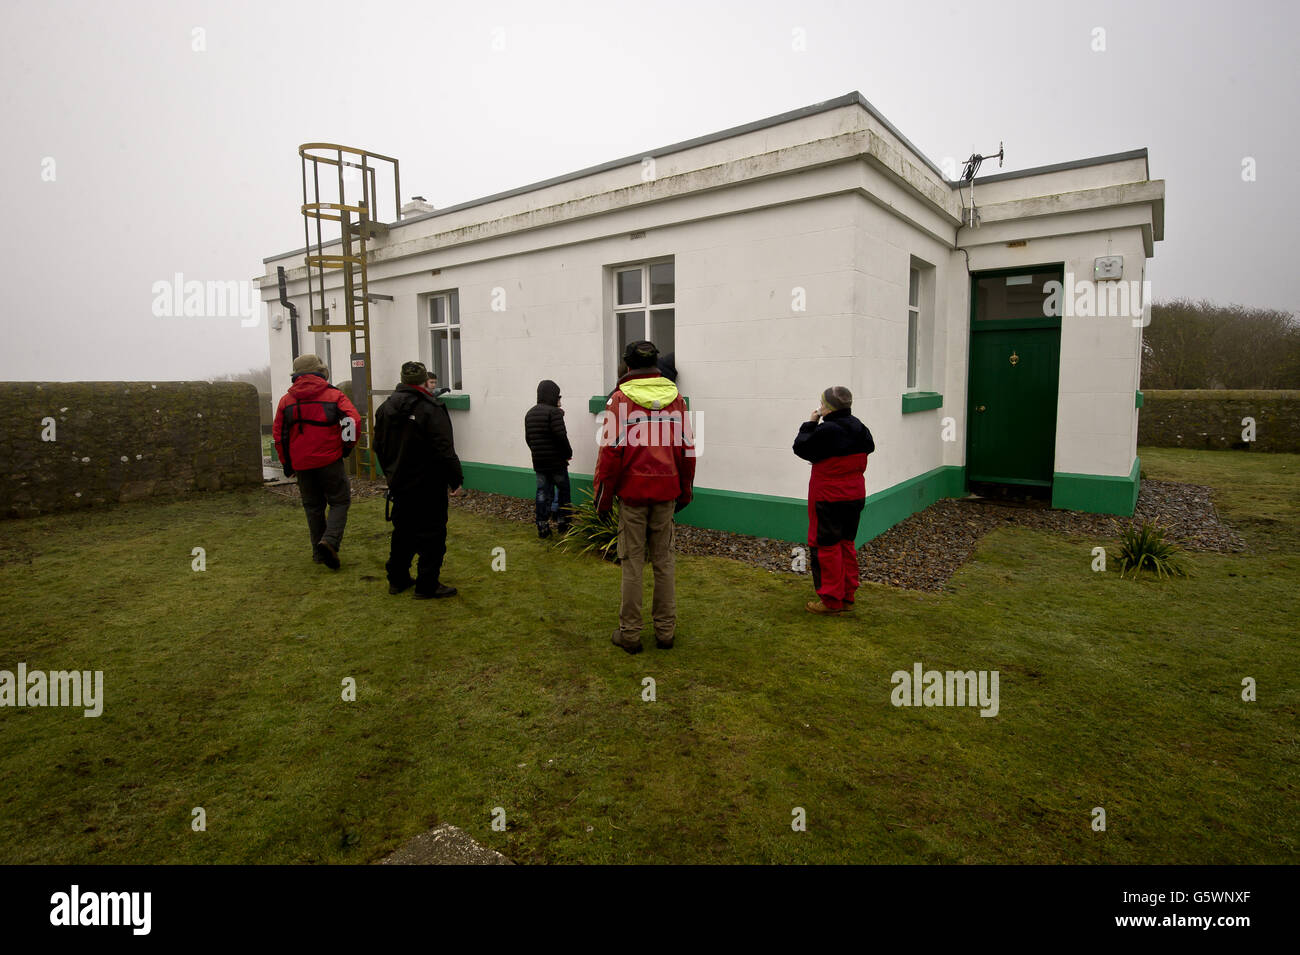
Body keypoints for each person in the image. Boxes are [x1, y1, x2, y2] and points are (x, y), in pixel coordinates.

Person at [594, 340, 695, 653]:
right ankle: (666, 632)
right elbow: (687, 449)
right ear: (656, 364)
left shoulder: (618, 401)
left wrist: (603, 498)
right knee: (664, 563)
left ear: (627, 366)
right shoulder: (677, 400)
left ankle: (631, 634)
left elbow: (609, 455)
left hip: (632, 495)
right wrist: (686, 489)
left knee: (632, 564)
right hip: (666, 492)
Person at [373, 360, 464, 599]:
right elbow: (445, 448)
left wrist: (391, 473)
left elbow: (378, 447)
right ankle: (427, 584)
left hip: (400, 483)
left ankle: (398, 578)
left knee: (403, 531)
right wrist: (456, 480)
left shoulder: (385, 409)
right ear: (425, 381)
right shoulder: (431, 409)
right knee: (433, 534)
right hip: (428, 483)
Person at [272, 354, 360, 570]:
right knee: (339, 501)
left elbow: (279, 436)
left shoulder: (286, 401)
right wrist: (346, 448)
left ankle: (318, 553)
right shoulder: (334, 395)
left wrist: (287, 463)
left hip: (302, 464)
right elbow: (352, 421)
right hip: (330, 459)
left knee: (313, 506)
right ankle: (329, 541)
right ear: (320, 371)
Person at [792, 386, 874, 614]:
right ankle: (847, 595)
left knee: (826, 546)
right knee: (846, 544)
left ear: (827, 407)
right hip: (855, 494)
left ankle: (830, 599)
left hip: (828, 496)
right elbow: (868, 447)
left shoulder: (826, 431)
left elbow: (800, 446)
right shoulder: (860, 427)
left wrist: (811, 422)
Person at [524, 380, 573, 538]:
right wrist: (567, 453)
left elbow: (528, 439)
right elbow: (561, 436)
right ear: (552, 395)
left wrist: (537, 453)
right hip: (557, 462)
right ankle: (563, 522)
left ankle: (542, 525)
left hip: (539, 462)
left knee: (542, 493)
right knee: (563, 490)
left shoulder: (529, 413)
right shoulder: (554, 413)